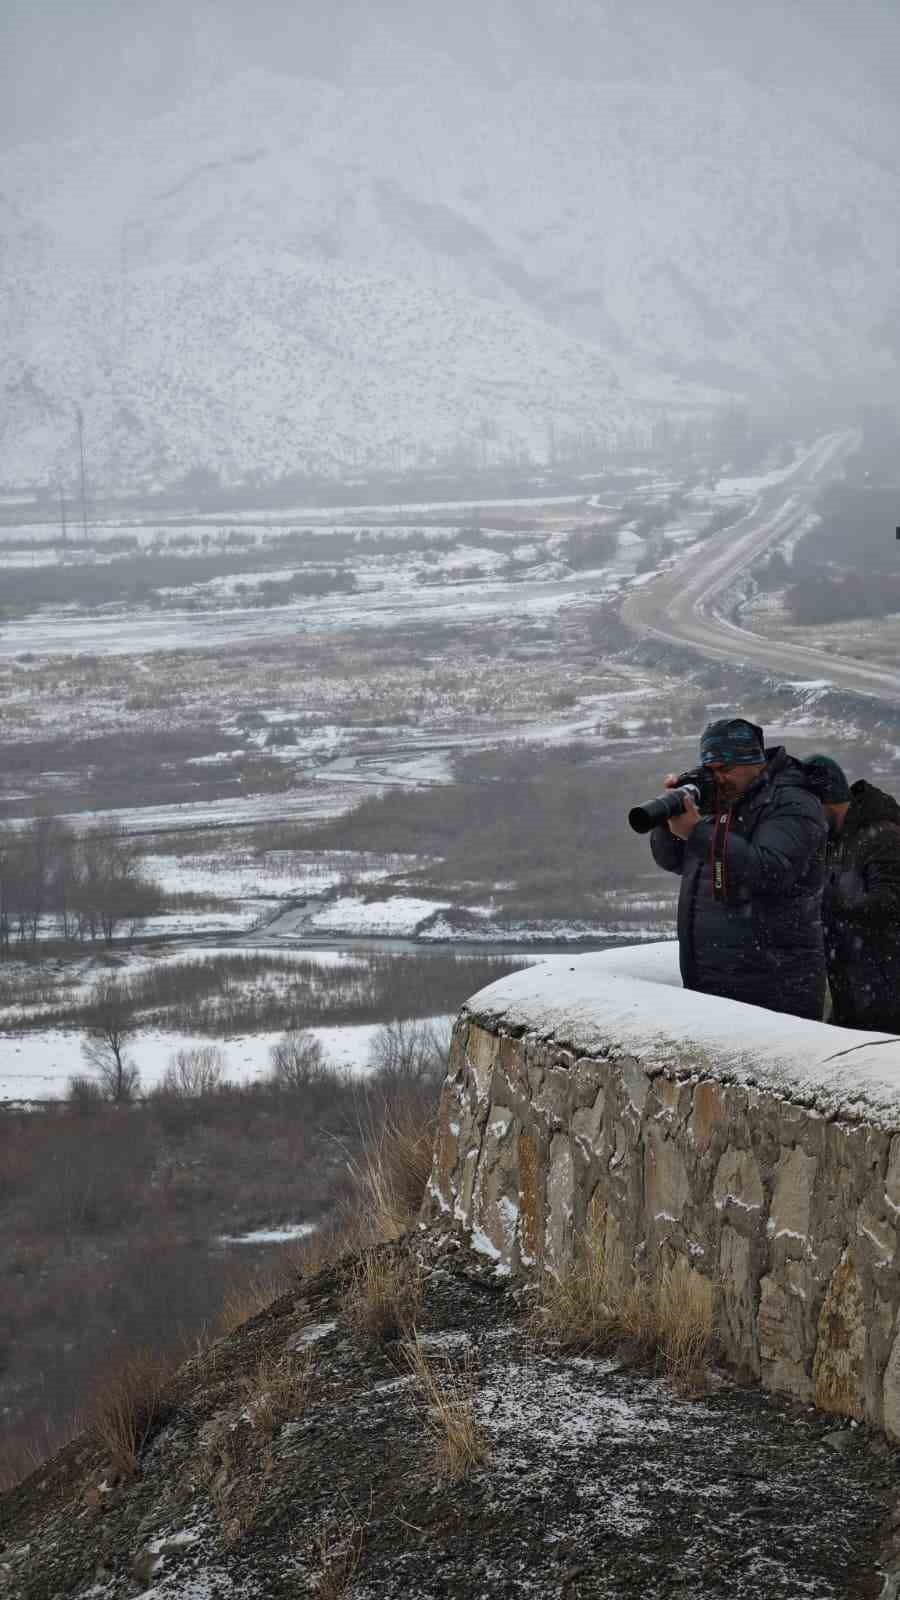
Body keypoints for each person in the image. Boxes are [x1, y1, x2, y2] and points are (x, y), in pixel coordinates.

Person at [650, 716, 827, 1019]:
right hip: (714, 985)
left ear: (754, 762)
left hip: (775, 989)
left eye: (725, 769)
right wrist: (670, 822)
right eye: (711, 770)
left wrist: (697, 832)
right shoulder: (720, 803)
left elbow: (771, 871)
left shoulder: (792, 801)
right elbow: (674, 860)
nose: (718, 778)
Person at [804, 755, 900, 1032]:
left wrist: (827, 905)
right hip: (856, 988)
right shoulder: (837, 840)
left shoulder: (884, 837)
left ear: (825, 802)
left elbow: (892, 903)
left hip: (885, 992)